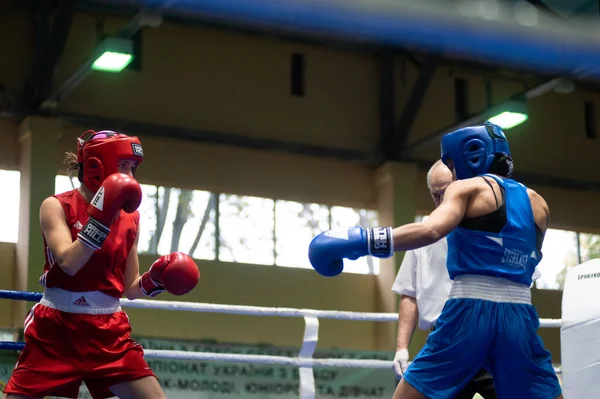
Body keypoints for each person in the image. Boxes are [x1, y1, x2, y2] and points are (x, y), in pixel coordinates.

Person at [308, 122, 563, 399]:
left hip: (469, 312)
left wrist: (361, 241)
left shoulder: (466, 189)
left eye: (452, 164)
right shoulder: (538, 202)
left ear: (469, 156)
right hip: (519, 315)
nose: (453, 173)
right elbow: (525, 259)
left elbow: (431, 230)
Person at [4, 130, 200, 399]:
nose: (129, 175)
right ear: (97, 165)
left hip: (108, 330)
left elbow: (129, 288)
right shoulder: (56, 206)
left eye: (132, 167)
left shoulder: (131, 218)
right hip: (57, 329)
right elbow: (69, 264)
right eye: (123, 166)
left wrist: (156, 280)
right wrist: (102, 217)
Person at [393, 160, 497, 399]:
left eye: (446, 191)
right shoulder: (423, 232)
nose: (441, 200)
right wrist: (401, 349)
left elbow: (521, 284)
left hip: (491, 333)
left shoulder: (492, 227)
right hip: (445, 339)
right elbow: (409, 294)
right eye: (435, 194)